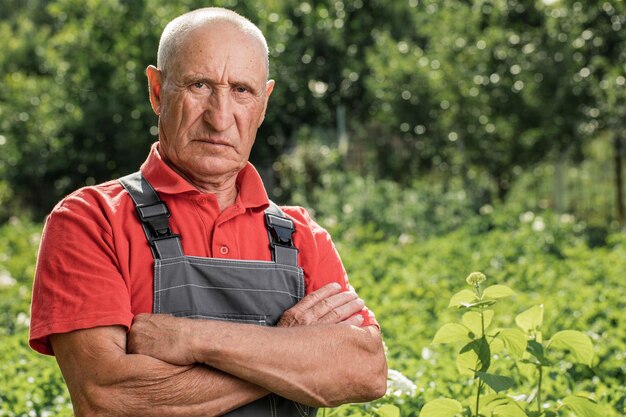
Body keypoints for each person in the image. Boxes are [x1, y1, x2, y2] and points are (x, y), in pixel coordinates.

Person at [29, 7, 387, 417]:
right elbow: (108, 400)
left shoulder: (302, 235)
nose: (220, 118)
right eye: (200, 85)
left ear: (264, 103)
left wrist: (192, 338)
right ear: (157, 91)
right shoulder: (90, 220)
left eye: (241, 91)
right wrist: (290, 353)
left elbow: (367, 370)